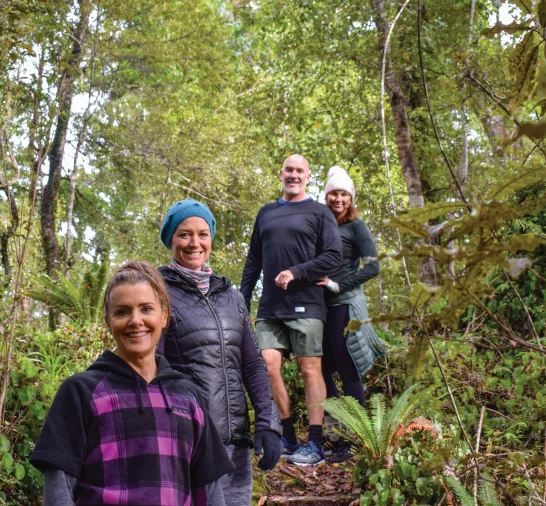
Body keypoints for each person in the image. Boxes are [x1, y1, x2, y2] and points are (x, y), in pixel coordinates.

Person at [30, 261, 234, 505]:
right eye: (122, 311)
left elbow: (209, 490)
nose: (135, 321)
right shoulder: (80, 392)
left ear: (164, 316)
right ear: (108, 321)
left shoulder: (189, 396)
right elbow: (58, 488)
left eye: (146, 309)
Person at [157, 198, 282, 505]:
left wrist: (269, 423)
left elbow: (252, 364)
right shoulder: (157, 293)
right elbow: (152, 367)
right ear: (170, 240)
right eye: (184, 234)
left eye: (203, 233)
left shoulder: (232, 296)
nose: (194, 243)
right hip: (189, 441)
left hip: (235, 443)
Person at [240, 154, 343, 466]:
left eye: (300, 171)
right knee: (267, 366)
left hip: (307, 304)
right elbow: (253, 261)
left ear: (308, 177)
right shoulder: (266, 213)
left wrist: (296, 272)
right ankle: (286, 434)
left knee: (309, 368)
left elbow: (333, 256)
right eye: (289, 170)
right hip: (270, 307)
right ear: (281, 173)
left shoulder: (319, 212)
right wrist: (240, 300)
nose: (294, 175)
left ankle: (314, 443)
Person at [315, 166, 386, 463]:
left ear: (351, 198)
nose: (338, 198)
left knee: (348, 370)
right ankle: (336, 433)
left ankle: (355, 439)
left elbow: (373, 266)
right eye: (333, 193)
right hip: (321, 308)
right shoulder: (319, 222)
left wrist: (338, 284)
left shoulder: (356, 226)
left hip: (345, 304)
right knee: (321, 371)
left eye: (344, 194)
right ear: (326, 195)